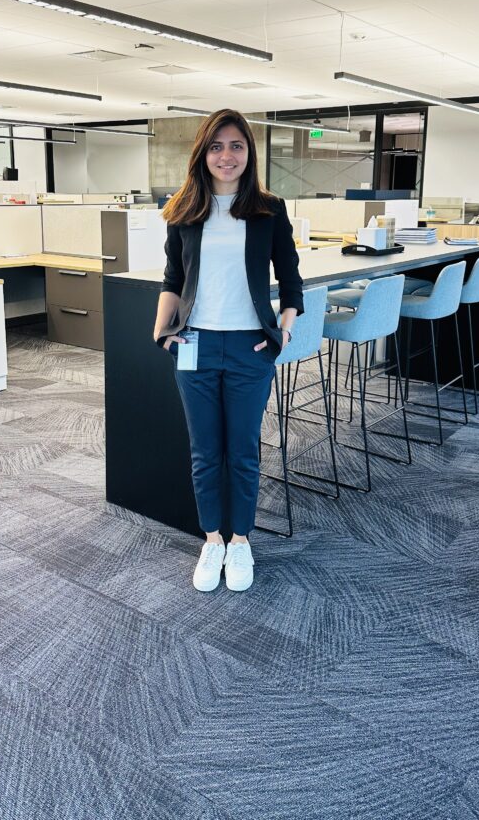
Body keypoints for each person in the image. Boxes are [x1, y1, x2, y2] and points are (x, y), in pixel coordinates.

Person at [153, 108, 303, 593]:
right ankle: (212, 539)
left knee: (241, 451)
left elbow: (291, 276)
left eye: (236, 145)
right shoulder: (183, 210)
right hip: (195, 343)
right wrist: (162, 332)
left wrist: (284, 328)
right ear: (203, 153)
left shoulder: (268, 208)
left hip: (249, 346)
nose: (226, 155)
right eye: (216, 146)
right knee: (204, 452)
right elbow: (173, 279)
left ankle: (240, 541)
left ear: (249, 153)